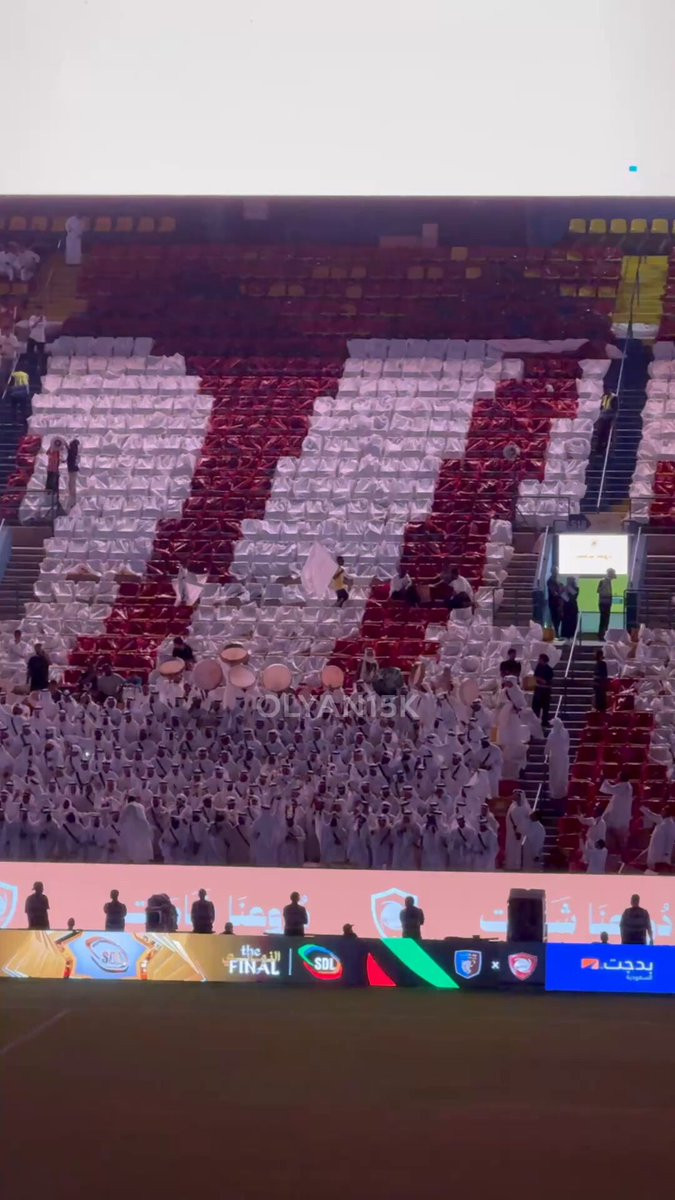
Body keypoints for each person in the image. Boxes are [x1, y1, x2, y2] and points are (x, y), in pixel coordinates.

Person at [546, 717, 569, 801]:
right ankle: (559, 792)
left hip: (556, 757)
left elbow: (548, 746)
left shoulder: (552, 735)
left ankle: (557, 792)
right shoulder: (564, 733)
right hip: (561, 757)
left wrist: (546, 752)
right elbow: (567, 744)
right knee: (559, 774)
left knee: (556, 775)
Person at [531, 653, 553, 730]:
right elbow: (535, 677)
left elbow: (547, 682)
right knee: (536, 707)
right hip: (538, 691)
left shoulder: (549, 670)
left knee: (545, 708)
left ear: (543, 660)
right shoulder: (538, 667)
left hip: (545, 692)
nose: (538, 660)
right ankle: (535, 722)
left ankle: (544, 722)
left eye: (540, 659)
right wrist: (540, 680)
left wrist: (540, 680)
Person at [594, 390, 617, 455]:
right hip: (603, 416)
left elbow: (615, 409)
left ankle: (605, 449)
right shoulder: (604, 396)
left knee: (607, 434)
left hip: (609, 417)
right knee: (600, 433)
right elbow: (601, 406)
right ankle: (599, 448)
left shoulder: (614, 397)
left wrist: (613, 419)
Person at [25, 306, 47, 373]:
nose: (38, 312)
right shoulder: (32, 317)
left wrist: (40, 320)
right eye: (37, 310)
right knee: (29, 352)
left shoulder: (44, 318)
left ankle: (40, 368)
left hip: (41, 338)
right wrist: (37, 321)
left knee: (40, 354)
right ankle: (30, 367)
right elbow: (31, 326)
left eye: (40, 311)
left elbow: (44, 326)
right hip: (32, 337)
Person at [597, 568, 616, 641]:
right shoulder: (603, 581)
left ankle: (605, 635)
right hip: (603, 602)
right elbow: (598, 590)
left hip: (608, 602)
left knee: (607, 619)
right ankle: (601, 635)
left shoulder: (609, 581)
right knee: (603, 619)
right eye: (612, 573)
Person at [45, 438, 63, 512]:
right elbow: (47, 453)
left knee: (54, 481)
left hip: (54, 469)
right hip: (51, 469)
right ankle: (50, 491)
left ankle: (53, 492)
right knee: (50, 480)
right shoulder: (52, 450)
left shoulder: (58, 452)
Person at [547, 567, 564, 636]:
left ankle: (557, 632)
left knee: (559, 617)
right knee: (554, 617)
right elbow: (553, 592)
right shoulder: (550, 581)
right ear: (552, 572)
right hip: (553, 602)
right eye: (555, 571)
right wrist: (560, 594)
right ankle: (556, 633)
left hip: (559, 602)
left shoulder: (558, 580)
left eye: (557, 571)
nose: (556, 573)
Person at [66, 438, 80, 509]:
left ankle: (72, 502)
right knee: (72, 486)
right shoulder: (74, 451)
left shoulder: (72, 451)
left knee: (71, 486)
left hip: (72, 470)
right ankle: (72, 501)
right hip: (72, 470)